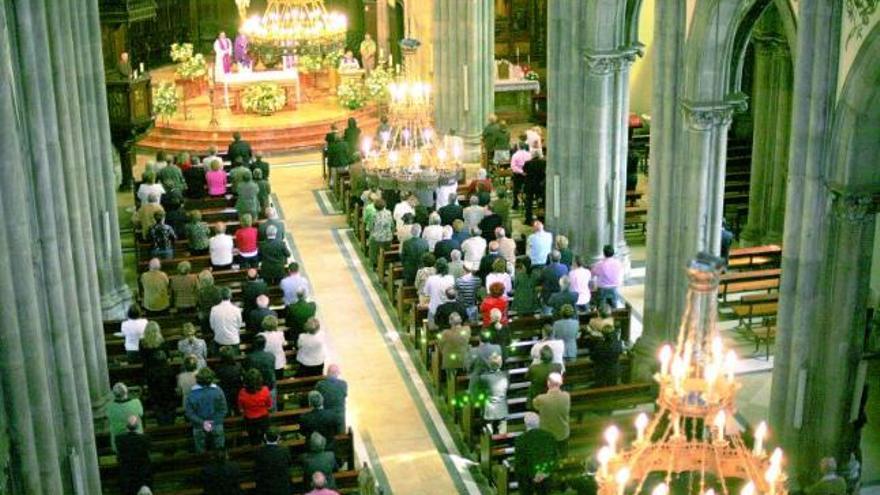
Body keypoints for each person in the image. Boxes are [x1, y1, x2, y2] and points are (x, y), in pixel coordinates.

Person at [186, 367, 228, 453]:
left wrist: (204, 423)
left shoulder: (192, 393)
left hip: (199, 425)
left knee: (201, 450)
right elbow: (223, 409)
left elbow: (190, 413)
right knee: (219, 449)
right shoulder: (218, 391)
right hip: (216, 424)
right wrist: (213, 422)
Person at [514, 412, 558, 495]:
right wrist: (545, 473)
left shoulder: (520, 439)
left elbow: (519, 463)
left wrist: (534, 475)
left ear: (525, 424)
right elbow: (555, 457)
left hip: (528, 481)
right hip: (546, 478)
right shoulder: (550, 436)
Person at [533, 372, 571, 456]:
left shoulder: (541, 398)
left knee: (548, 456)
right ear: (561, 382)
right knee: (563, 454)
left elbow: (535, 406)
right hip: (563, 432)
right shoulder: (566, 396)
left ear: (548, 383)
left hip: (547, 434)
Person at [116, 416, 152, 495]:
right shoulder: (145, 438)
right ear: (138, 426)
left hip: (127, 473)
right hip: (142, 473)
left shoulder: (119, 439)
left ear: (126, 426)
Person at [586, 315, 623, 387]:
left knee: (601, 386)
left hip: (601, 370)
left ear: (603, 334)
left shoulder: (600, 345)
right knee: (612, 386)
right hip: (614, 369)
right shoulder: (618, 343)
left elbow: (593, 357)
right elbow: (620, 352)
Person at [238, 368, 272, 445]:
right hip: (263, 417)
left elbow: (241, 407)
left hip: (249, 418)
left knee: (252, 435)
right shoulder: (265, 390)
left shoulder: (242, 393)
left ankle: (255, 445)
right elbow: (269, 405)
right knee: (265, 433)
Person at [106, 382, 144, 452]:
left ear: (114, 394)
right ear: (126, 392)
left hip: (118, 443)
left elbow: (108, 417)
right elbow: (141, 414)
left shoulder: (109, 406)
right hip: (137, 439)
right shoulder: (136, 402)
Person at [254, 428, 293, 495]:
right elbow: (289, 464)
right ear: (278, 438)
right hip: (282, 486)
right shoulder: (284, 451)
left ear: (265, 437)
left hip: (265, 487)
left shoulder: (259, 452)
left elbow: (257, 469)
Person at [478, 354, 509, 433]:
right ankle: (502, 438)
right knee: (503, 424)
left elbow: (481, 388)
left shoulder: (484, 377)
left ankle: (489, 437)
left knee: (488, 423)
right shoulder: (505, 375)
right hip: (502, 406)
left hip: (490, 407)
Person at [316, 364, 348, 435]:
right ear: (337, 374)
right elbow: (344, 395)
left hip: (325, 414)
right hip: (339, 415)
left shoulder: (320, 384)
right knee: (341, 435)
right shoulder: (343, 384)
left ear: (327, 373)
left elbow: (317, 397)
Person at [210, 287, 242, 355]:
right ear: (230, 296)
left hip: (219, 340)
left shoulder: (214, 309)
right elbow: (239, 325)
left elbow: (212, 326)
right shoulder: (236, 310)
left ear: (220, 296)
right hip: (233, 340)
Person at [438, 312, 471, 377]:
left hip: (450, 363)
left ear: (450, 322)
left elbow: (440, 347)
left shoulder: (445, 333)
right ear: (460, 320)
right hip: (463, 360)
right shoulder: (467, 329)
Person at [423, 258, 455, 323]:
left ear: (436, 268)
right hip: (449, 310)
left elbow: (426, 294)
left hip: (434, 310)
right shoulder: (451, 278)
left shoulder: (431, 279)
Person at [215, 346, 242, 414]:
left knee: (227, 408)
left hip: (225, 391)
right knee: (237, 408)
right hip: (236, 390)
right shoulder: (238, 366)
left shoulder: (218, 368)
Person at [260, 315, 287, 381]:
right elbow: (284, 343)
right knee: (279, 379)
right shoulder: (280, 334)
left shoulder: (260, 335)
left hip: (266, 362)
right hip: (279, 362)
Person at [368, 198, 394, 268]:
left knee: (372, 246)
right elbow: (392, 225)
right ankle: (386, 263)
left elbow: (370, 227)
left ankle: (374, 263)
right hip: (388, 238)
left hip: (377, 239)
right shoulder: (389, 213)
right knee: (385, 251)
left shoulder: (374, 215)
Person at [523, 154, 546, 224]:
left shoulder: (527, 163)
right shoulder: (543, 163)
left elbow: (524, 171)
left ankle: (528, 219)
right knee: (540, 202)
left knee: (529, 203)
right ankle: (541, 219)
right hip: (539, 186)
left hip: (529, 185)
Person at [510, 143, 531, 209]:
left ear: (518, 147)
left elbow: (513, 166)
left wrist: (521, 172)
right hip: (527, 174)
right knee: (527, 189)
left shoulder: (515, 155)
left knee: (516, 190)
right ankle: (526, 203)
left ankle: (515, 204)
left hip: (518, 175)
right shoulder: (529, 154)